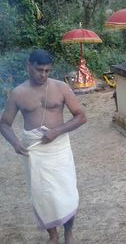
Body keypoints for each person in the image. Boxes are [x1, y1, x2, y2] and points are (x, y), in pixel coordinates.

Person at [0, 49, 87, 244]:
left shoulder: (61, 87)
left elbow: (81, 116)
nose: (43, 75)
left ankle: (69, 233)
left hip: (59, 148)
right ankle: (53, 236)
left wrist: (57, 131)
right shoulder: (18, 93)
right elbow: (4, 123)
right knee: (43, 195)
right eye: (39, 70)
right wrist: (15, 143)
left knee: (66, 192)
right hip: (35, 150)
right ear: (28, 67)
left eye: (48, 71)